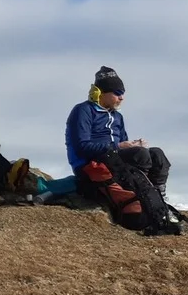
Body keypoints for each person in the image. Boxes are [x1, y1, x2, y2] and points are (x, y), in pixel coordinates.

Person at [65, 65, 176, 225]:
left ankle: (158, 200)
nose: (122, 97)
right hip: (90, 165)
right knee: (140, 155)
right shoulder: (84, 110)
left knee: (156, 154)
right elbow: (81, 146)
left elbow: (123, 146)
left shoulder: (117, 117)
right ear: (102, 93)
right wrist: (119, 147)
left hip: (113, 160)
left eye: (122, 93)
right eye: (117, 93)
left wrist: (132, 145)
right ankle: (141, 197)